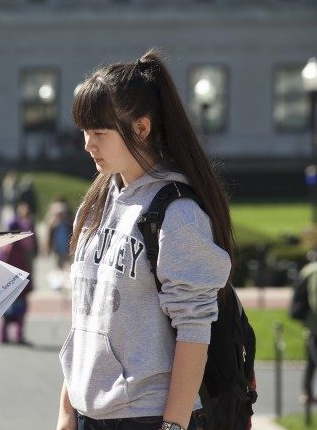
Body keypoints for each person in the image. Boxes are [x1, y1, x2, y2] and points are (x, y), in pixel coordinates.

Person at [57, 49, 234, 430]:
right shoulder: (96, 203)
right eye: (85, 131)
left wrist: (172, 426)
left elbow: (194, 332)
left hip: (146, 417)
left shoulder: (178, 214)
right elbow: (84, 319)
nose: (88, 144)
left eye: (99, 132)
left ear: (141, 128)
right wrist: (67, 413)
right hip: (89, 414)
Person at [0, 214, 36, 345]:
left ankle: (3, 335)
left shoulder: (4, 245)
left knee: (5, 311)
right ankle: (18, 335)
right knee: (20, 311)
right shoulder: (20, 246)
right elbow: (25, 265)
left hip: (5, 284)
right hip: (19, 284)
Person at [300, 251, 317, 405]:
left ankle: (307, 392)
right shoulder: (315, 271)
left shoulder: (309, 269)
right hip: (314, 325)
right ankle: (307, 393)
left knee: (311, 360)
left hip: (310, 323)